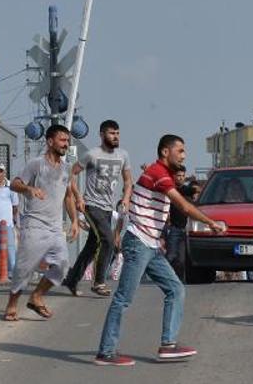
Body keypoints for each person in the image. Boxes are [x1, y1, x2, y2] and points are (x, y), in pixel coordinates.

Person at [94, 134, 224, 366]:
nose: (184, 155)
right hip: (138, 243)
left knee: (175, 289)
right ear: (165, 152)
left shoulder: (161, 175)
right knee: (123, 298)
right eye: (180, 151)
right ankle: (106, 351)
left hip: (151, 245)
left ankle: (168, 346)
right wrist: (211, 223)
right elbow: (183, 205)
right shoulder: (158, 173)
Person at [3, 124, 80, 322]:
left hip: (55, 227)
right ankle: (12, 305)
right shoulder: (36, 164)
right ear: (50, 141)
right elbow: (14, 183)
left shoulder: (66, 169)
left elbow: (68, 196)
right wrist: (28, 189)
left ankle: (37, 296)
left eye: (67, 140)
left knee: (62, 265)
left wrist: (74, 221)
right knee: (24, 268)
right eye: (62, 140)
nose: (66, 144)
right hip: (34, 224)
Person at [63, 120, 133, 297]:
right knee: (108, 240)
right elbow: (71, 174)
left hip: (108, 207)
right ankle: (99, 282)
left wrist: (125, 197)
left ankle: (72, 279)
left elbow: (128, 180)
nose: (115, 136)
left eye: (117, 133)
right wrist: (78, 197)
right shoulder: (91, 155)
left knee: (92, 245)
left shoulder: (123, 155)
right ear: (102, 135)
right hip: (91, 205)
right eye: (111, 133)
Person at [164, 165, 194, 280]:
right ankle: (163, 276)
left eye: (182, 176)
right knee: (171, 256)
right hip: (174, 229)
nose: (181, 178)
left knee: (181, 260)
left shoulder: (188, 191)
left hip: (186, 230)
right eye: (178, 176)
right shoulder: (171, 190)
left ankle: (179, 281)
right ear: (174, 176)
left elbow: (196, 190)